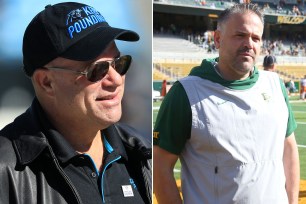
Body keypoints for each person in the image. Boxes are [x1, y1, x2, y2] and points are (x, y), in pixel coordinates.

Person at [0, 2, 151, 204]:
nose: (116, 79)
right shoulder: (6, 169)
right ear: (46, 83)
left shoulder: (142, 154)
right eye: (97, 70)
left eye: (119, 63)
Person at [153, 3, 299, 204]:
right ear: (218, 39)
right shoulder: (185, 93)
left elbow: (289, 149)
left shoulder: (275, 85)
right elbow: (160, 166)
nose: (249, 43)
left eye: (256, 38)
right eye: (240, 35)